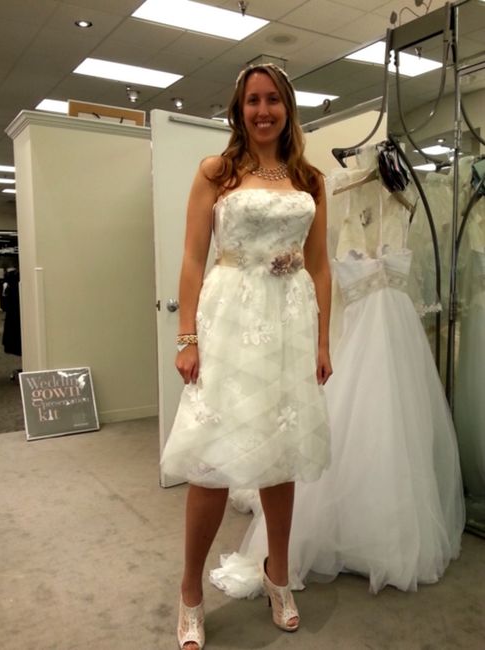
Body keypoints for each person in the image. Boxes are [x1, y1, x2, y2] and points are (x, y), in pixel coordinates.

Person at [160, 62, 332, 650]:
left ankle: (277, 575)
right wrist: (186, 337)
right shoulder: (217, 171)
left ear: (288, 108)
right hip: (230, 319)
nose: (263, 111)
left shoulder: (309, 178)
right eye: (253, 100)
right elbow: (192, 258)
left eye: (273, 100)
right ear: (239, 109)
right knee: (211, 459)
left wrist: (323, 340)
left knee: (280, 457)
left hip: (289, 324)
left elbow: (320, 266)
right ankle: (189, 590)